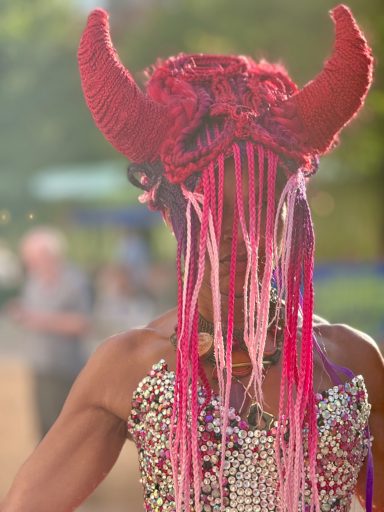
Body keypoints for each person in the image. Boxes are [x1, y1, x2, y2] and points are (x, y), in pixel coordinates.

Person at [1, 4, 384, 511]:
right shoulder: (130, 367)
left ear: (295, 214)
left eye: (259, 210)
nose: (236, 239)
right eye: (208, 213)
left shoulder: (349, 361)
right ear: (171, 217)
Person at [5, 226, 91, 438]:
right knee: (44, 431)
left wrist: (37, 319)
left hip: (66, 369)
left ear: (48, 254)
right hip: (41, 367)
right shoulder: (34, 281)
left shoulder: (74, 281)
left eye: (31, 257)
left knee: (67, 431)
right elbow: (31, 312)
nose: (28, 262)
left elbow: (81, 323)